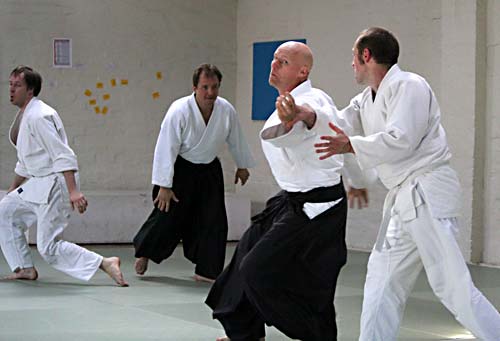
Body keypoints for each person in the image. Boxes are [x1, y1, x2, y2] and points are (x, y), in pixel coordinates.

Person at [314, 27, 500, 340]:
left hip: (426, 191)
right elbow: (337, 121)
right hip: (403, 201)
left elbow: (402, 141)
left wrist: (351, 146)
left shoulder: (410, 85)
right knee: (381, 280)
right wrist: (304, 116)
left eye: (353, 58)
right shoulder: (366, 98)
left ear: (366, 55)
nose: (352, 65)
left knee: (451, 286)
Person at [206, 41, 368, 341]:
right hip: (290, 200)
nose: (273, 65)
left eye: (282, 62)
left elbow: (315, 119)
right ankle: (244, 332)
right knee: (245, 255)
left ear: (302, 71)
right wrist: (356, 181)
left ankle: (316, 334)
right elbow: (339, 142)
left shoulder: (312, 101)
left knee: (260, 270)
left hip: (317, 208)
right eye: (274, 60)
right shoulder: (290, 101)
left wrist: (300, 115)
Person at [0, 65, 127, 286]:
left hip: (56, 183)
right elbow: (25, 162)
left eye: (17, 85)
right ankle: (24, 268)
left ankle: (105, 262)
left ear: (30, 90)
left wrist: (73, 191)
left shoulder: (39, 116)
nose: (11, 90)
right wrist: (13, 189)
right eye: (10, 85)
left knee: (47, 247)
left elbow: (62, 154)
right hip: (38, 182)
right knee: (6, 211)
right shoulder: (26, 115)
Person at [133, 64, 255, 283]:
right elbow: (166, 147)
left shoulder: (225, 110)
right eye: (205, 87)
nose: (210, 93)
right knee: (167, 216)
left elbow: (235, 138)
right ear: (195, 87)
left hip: (209, 170)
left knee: (214, 219)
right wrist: (164, 184)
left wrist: (242, 165)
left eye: (215, 87)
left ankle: (207, 270)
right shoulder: (179, 110)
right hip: (180, 169)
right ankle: (145, 251)